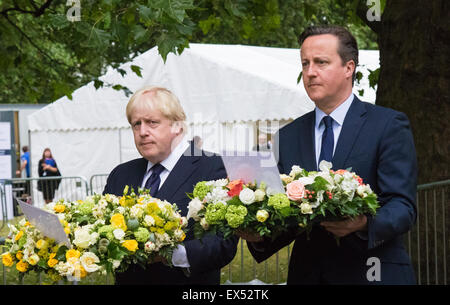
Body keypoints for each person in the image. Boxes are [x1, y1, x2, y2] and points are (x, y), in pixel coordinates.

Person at [241, 25, 417, 284]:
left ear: (349, 68)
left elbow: (403, 206)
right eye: (305, 63)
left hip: (373, 273)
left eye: (321, 62)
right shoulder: (287, 136)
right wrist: (258, 234)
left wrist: (363, 223)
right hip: (309, 275)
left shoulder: (388, 126)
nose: (310, 72)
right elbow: (286, 215)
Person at [103, 86, 238, 285]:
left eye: (152, 122)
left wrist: (168, 254)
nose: (142, 132)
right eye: (136, 124)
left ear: (177, 125)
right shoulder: (120, 174)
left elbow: (223, 244)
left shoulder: (213, 168)